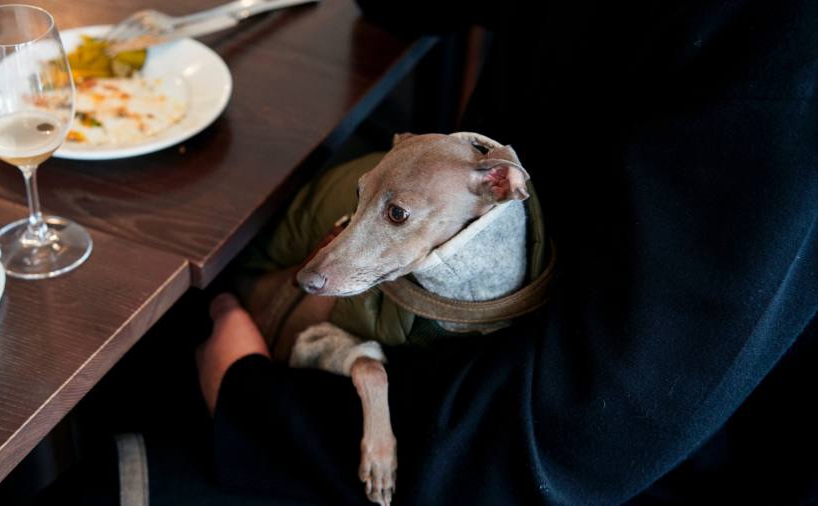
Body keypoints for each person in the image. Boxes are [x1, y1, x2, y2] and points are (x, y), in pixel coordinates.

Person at [197, 0, 817, 504]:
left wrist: (256, 412)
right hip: (449, 340)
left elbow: (582, 443)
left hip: (542, 453)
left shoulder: (781, 56)